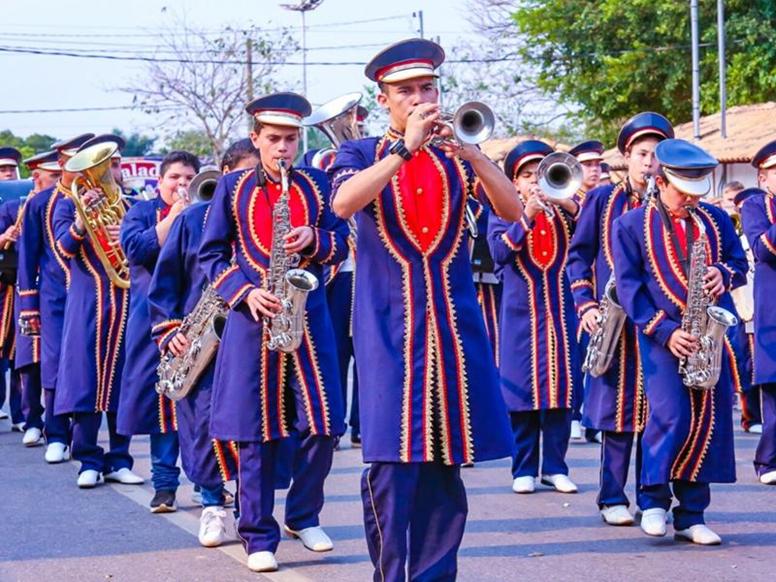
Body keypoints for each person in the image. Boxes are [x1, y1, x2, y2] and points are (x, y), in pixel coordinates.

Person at [329, 38, 520, 581]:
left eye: (427, 88)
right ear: (384, 99)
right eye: (405, 91)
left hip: (453, 332)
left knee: (444, 470)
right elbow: (343, 204)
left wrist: (476, 153)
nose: (419, 99)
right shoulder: (360, 152)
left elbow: (512, 210)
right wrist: (404, 149)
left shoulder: (455, 156)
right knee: (392, 468)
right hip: (388, 333)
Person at [199, 92, 348, 573]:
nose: (283, 149)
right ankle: (258, 535)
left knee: (325, 423)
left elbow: (340, 244)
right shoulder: (232, 187)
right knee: (253, 430)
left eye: (291, 140)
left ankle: (303, 514)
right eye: (274, 140)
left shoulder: (318, 184)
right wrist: (244, 292)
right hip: (252, 320)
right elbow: (211, 256)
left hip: (309, 315)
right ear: (255, 139)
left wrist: (316, 239)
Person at [613, 138, 746, 544]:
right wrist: (666, 331)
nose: (691, 199)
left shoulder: (715, 220)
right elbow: (629, 287)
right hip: (661, 337)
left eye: (696, 191)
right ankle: (653, 501)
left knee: (707, 421)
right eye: (683, 191)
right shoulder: (629, 225)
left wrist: (725, 272)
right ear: (663, 181)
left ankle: (692, 514)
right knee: (671, 417)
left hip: (708, 336)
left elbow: (740, 264)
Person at [148, 141, 257, 546]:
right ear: (225, 171)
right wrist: (170, 329)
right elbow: (166, 283)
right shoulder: (191, 220)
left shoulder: (266, 218)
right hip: (201, 338)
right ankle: (212, 505)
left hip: (250, 335)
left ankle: (252, 512)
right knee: (202, 425)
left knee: (252, 424)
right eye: (242, 173)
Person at [567, 112, 674, 527]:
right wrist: (586, 304)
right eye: (642, 154)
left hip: (660, 324)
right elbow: (579, 255)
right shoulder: (601, 199)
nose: (649, 163)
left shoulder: (672, 201)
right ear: (626, 156)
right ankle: (612, 497)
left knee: (660, 412)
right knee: (616, 415)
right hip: (614, 324)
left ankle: (654, 498)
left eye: (656, 155)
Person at [488, 140, 580, 495]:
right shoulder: (501, 211)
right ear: (513, 182)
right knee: (519, 395)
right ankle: (523, 468)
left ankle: (555, 467)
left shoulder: (567, 213)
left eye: (539, 175)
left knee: (561, 393)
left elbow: (592, 230)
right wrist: (526, 215)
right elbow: (498, 252)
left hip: (560, 315)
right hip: (518, 317)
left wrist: (564, 200)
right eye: (526, 176)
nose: (533, 182)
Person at [53, 133, 144, 488]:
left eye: (115, 164)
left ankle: (120, 459)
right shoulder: (67, 203)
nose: (112, 170)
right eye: (107, 165)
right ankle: (88, 459)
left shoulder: (135, 203)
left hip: (125, 300)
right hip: (88, 300)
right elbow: (63, 250)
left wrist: (128, 236)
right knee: (86, 381)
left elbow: (147, 248)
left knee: (124, 381)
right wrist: (80, 222)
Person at [118, 149, 199, 512]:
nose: (181, 185)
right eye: (174, 178)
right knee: (162, 406)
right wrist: (174, 218)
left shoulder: (205, 210)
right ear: (160, 182)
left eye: (187, 179)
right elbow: (136, 249)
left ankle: (206, 484)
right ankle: (164, 486)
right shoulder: (142, 211)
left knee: (200, 406)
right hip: (152, 319)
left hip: (196, 317)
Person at [16, 149, 72, 462]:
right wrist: (29, 304)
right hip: (54, 295)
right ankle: (56, 432)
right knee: (53, 364)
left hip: (94, 295)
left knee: (90, 366)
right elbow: (28, 257)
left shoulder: (105, 198)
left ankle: (86, 439)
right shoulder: (40, 202)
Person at [741, 140, 776, 485]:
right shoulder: (755, 206)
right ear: (764, 178)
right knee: (775, 393)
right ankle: (768, 461)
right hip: (772, 311)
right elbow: (763, 248)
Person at [566, 139, 605, 441]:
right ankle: (577, 413)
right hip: (573, 287)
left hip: (603, 288)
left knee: (599, 353)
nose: (594, 169)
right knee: (578, 353)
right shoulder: (565, 195)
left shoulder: (606, 197)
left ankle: (594, 416)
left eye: (597, 164)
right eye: (587, 164)